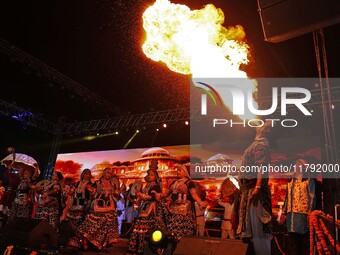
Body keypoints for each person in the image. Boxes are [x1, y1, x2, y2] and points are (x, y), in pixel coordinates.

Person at [237, 121, 272, 255]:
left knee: (258, 229)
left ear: (265, 131)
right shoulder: (255, 144)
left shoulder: (261, 145)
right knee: (250, 230)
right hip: (248, 191)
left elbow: (262, 167)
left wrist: (257, 187)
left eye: (264, 125)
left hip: (254, 192)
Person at [69, 168, 119, 250]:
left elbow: (116, 195)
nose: (109, 175)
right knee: (91, 223)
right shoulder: (97, 183)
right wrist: (92, 192)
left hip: (109, 207)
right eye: (107, 173)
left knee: (107, 226)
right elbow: (93, 194)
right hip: (97, 206)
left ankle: (100, 244)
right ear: (103, 173)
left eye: (110, 174)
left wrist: (117, 194)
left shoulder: (112, 184)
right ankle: (84, 241)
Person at [128, 160, 166, 255]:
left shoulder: (155, 186)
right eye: (149, 174)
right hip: (143, 209)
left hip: (150, 210)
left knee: (146, 230)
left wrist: (141, 195)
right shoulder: (146, 186)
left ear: (156, 177)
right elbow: (143, 196)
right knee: (138, 229)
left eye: (152, 175)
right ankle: (136, 249)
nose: (149, 176)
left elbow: (152, 197)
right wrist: (138, 197)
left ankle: (144, 249)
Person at [280, 159, 315, 255]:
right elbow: (287, 198)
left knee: (303, 240)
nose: (296, 166)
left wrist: (310, 213)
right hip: (291, 215)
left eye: (299, 164)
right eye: (295, 164)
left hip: (302, 214)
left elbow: (312, 197)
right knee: (292, 241)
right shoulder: (290, 181)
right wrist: (284, 212)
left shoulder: (308, 180)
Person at [164, 164, 207, 241]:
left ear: (185, 172)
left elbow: (194, 194)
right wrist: (158, 195)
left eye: (180, 170)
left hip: (185, 210)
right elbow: (167, 193)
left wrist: (200, 202)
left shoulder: (189, 182)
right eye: (177, 170)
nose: (178, 172)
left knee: (183, 231)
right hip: (173, 210)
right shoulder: (174, 182)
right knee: (172, 230)